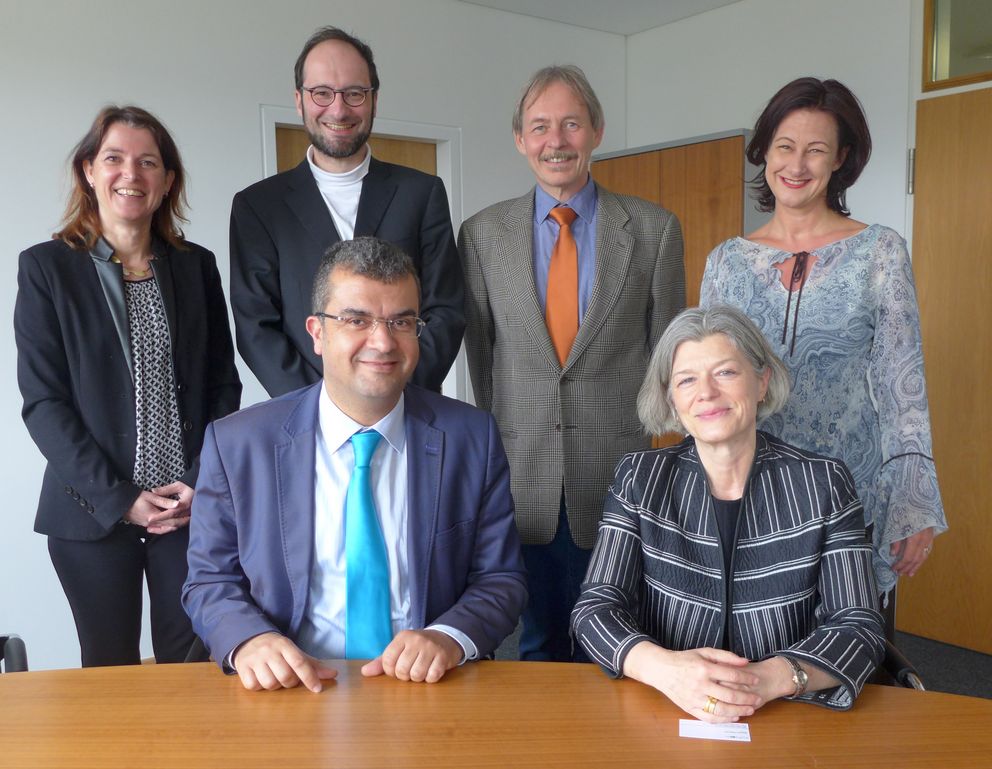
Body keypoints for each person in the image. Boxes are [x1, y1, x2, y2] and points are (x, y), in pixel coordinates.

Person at [183, 236, 526, 692]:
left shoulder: (471, 438)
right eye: (356, 320)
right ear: (317, 332)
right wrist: (251, 641)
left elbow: (500, 578)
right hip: (292, 684)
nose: (382, 341)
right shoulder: (237, 443)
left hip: (427, 686)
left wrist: (446, 638)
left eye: (401, 321)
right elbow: (209, 580)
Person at [459, 65, 685, 662]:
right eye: (539, 127)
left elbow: (670, 355)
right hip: (523, 471)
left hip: (620, 472)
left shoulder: (655, 230)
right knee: (536, 641)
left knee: (620, 644)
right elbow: (483, 359)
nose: (555, 141)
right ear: (519, 139)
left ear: (597, 131)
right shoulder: (481, 235)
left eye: (570, 124)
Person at [571, 305, 885, 721]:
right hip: (665, 708)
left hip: (787, 713)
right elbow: (595, 607)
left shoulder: (823, 484)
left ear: (761, 381)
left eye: (725, 372)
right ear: (671, 399)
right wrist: (667, 671)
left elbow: (859, 623)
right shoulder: (640, 479)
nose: (706, 393)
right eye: (686, 380)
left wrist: (771, 678)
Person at [699, 77, 947, 602]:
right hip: (749, 497)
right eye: (785, 147)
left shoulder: (879, 252)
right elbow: (707, 387)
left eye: (816, 151)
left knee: (846, 660)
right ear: (764, 151)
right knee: (752, 659)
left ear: (841, 159)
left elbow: (903, 386)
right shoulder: (725, 262)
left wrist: (912, 501)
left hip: (851, 495)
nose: (796, 165)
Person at [14, 106, 242, 666]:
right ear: (89, 170)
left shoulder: (197, 267)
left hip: (185, 510)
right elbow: (45, 403)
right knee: (107, 666)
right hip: (90, 514)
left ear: (167, 182)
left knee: (192, 664)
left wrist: (196, 481)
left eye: (148, 162)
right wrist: (120, 500)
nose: (131, 174)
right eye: (114, 159)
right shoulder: (46, 269)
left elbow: (222, 386)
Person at [230, 25, 464, 397]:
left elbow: (446, 310)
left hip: (409, 410)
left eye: (354, 93)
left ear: (373, 100)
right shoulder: (258, 207)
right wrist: (326, 409)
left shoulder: (422, 193)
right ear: (299, 100)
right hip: (307, 420)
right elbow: (256, 325)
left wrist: (395, 397)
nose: (338, 109)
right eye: (322, 93)